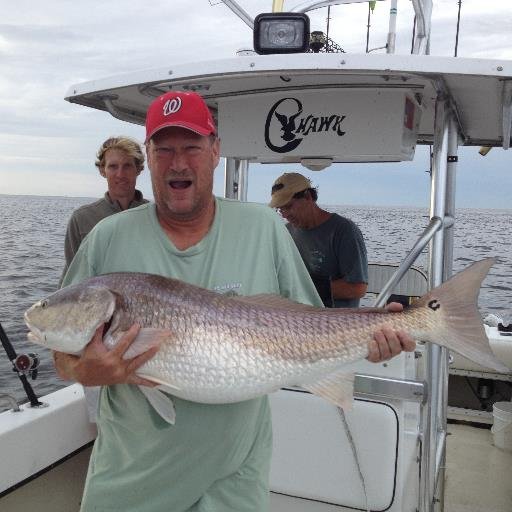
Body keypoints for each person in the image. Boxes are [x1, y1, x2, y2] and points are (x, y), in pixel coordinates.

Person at [53, 91, 415, 512]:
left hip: (234, 481)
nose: (178, 162)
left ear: (216, 152)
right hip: (131, 477)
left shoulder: (264, 227)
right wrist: (86, 370)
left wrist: (374, 336)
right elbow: (62, 355)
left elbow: (314, 324)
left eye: (191, 146)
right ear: (148, 157)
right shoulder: (106, 238)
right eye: (164, 149)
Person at [270, 172, 368, 308]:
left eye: (288, 206)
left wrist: (305, 289)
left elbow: (358, 288)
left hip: (336, 323)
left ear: (308, 196)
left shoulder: (344, 230)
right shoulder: (286, 231)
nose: (285, 215)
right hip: (297, 319)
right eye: (280, 210)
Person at [61, 136, 148, 277]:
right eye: (113, 167)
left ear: (138, 169)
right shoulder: (82, 218)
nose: (120, 174)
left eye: (127, 166)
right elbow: (73, 276)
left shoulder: (157, 216)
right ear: (102, 170)